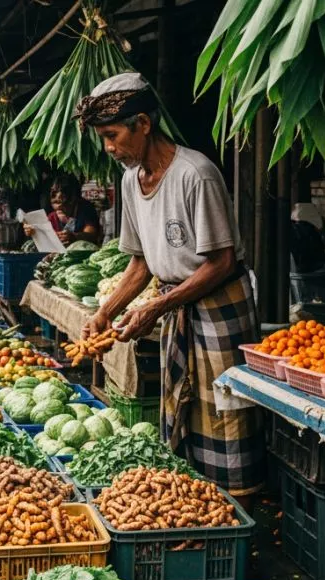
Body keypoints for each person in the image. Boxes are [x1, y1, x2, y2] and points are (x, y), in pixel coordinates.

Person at [77, 73, 263, 503]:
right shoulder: (129, 181)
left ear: (143, 123)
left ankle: (237, 506)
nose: (108, 147)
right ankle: (193, 501)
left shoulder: (195, 174)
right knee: (184, 407)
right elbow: (140, 263)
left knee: (224, 414)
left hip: (219, 306)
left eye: (112, 135)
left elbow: (221, 263)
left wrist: (158, 307)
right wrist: (106, 310)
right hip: (177, 305)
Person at [24, 177, 102, 245]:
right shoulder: (52, 217)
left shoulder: (86, 210)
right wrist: (34, 232)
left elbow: (91, 235)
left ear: (73, 199)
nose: (59, 210)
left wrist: (74, 237)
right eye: (55, 203)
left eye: (64, 204)